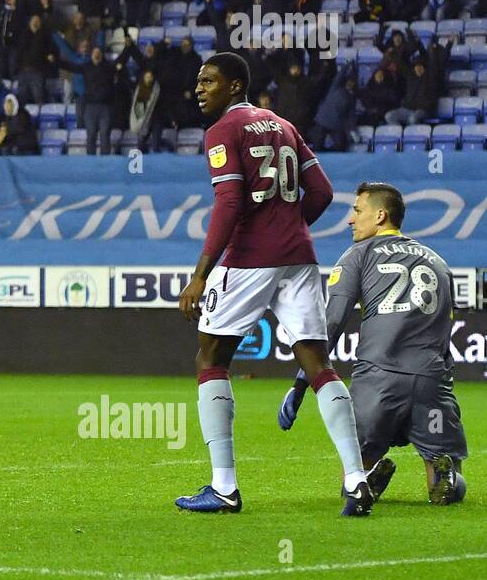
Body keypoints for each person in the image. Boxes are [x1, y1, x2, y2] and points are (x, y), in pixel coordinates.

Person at [175, 53, 373, 516]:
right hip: (298, 258)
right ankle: (355, 479)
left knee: (210, 356)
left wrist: (201, 274)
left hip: (249, 261)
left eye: (209, 81)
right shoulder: (283, 126)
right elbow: (322, 191)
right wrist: (287, 227)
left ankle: (224, 488)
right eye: (198, 81)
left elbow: (228, 201)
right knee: (318, 364)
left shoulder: (222, 132)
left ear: (236, 86)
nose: (199, 88)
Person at [279, 183, 467, 506]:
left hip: (378, 382)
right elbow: (446, 330)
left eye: (357, 211)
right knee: (445, 482)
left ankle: (368, 473)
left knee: (351, 481)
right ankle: (446, 475)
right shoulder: (439, 263)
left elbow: (331, 324)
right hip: (431, 383)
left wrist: (299, 385)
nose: (351, 220)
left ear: (380, 215)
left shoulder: (357, 256)